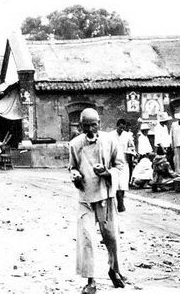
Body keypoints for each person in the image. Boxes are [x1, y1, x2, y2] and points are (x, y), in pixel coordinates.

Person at [68, 108, 125, 293]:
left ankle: (114, 269)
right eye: (86, 126)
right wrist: (75, 175)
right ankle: (91, 281)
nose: (90, 130)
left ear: (99, 123)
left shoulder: (110, 141)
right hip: (85, 198)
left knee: (112, 237)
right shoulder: (75, 144)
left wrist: (107, 173)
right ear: (80, 127)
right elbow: (72, 167)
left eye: (94, 125)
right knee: (87, 239)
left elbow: (120, 165)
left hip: (105, 197)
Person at [113, 119, 135, 212]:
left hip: (124, 162)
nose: (121, 129)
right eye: (120, 127)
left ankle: (121, 203)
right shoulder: (111, 135)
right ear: (117, 126)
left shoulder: (127, 136)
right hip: (114, 163)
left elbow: (132, 147)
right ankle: (119, 202)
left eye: (123, 128)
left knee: (123, 184)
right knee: (116, 184)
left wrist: (130, 152)